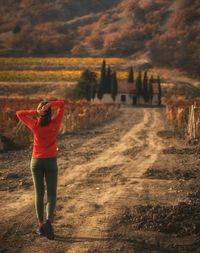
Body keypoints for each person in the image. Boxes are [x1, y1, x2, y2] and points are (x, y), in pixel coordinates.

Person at [16, 100, 65, 240]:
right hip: (50, 162)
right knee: (51, 194)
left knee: (39, 193)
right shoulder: (55, 124)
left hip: (36, 162)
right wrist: (50, 104)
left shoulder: (34, 125)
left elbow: (19, 114)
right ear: (50, 113)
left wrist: (36, 112)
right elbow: (62, 104)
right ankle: (49, 222)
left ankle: (40, 225)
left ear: (40, 113)